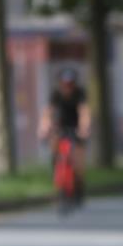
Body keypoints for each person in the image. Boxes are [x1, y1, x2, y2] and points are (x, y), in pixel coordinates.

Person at [38, 68, 91, 202]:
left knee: (78, 159)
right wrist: (44, 128)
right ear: (61, 83)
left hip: (76, 128)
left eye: (70, 84)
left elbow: (84, 112)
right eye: (65, 84)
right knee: (55, 147)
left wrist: (84, 128)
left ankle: (79, 185)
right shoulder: (56, 94)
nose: (68, 87)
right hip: (60, 127)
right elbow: (48, 113)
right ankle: (57, 172)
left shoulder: (79, 93)